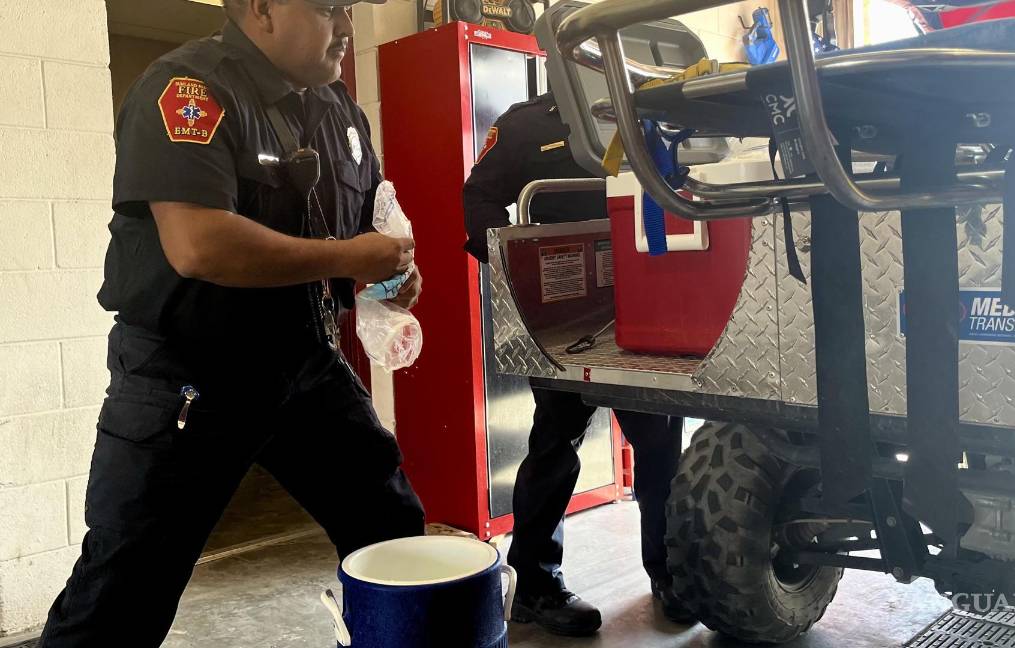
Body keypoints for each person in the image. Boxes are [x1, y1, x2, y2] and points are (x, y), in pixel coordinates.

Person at [37, 2, 425, 646]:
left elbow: (366, 228)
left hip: (304, 363)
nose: (348, 28)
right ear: (262, 8)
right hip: (187, 379)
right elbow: (201, 245)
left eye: (352, 9)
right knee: (123, 590)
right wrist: (349, 257)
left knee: (389, 527)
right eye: (331, 8)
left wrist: (390, 273)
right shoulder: (189, 88)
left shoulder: (338, 111)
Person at [463, 92, 695, 636]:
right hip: (566, 314)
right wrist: (516, 266)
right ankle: (535, 588)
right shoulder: (524, 126)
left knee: (660, 445)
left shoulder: (649, 112)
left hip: (646, 302)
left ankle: (672, 573)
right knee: (555, 445)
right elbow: (480, 201)